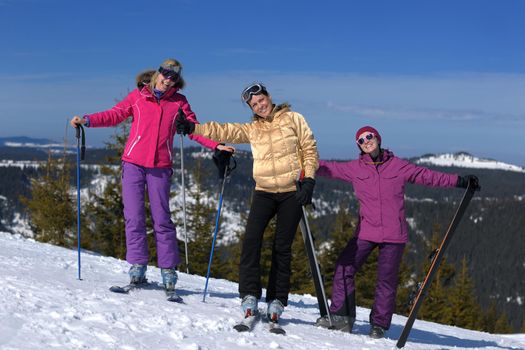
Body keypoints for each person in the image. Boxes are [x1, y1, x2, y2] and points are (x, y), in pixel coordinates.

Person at [69, 58, 234, 295]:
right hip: (133, 163)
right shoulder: (138, 97)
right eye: (166, 74)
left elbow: (194, 129)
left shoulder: (179, 102)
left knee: (162, 218)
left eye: (173, 78)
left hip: (160, 166)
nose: (168, 80)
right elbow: (114, 115)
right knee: (133, 217)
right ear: (158, 73)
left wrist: (216, 145)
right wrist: (87, 120)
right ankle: (138, 267)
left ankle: (168, 271)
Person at [314, 125, 480, 339]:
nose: (366, 141)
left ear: (378, 138)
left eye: (369, 137)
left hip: (393, 235)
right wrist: (299, 168)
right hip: (365, 232)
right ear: (359, 146)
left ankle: (379, 325)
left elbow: (427, 176)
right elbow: (328, 168)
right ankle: (341, 317)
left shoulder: (398, 166)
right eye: (361, 140)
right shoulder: (355, 168)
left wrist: (460, 181)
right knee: (344, 268)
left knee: (386, 280)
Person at [176, 82, 319, 324]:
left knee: (282, 247)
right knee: (251, 241)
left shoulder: (294, 118)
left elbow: (309, 149)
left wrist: (309, 181)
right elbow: (224, 130)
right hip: (263, 191)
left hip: (290, 192)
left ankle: (277, 299)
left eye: (261, 100)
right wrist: (193, 127)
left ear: (269, 97)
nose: (260, 105)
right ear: (251, 108)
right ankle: (250, 294)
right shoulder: (253, 128)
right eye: (254, 104)